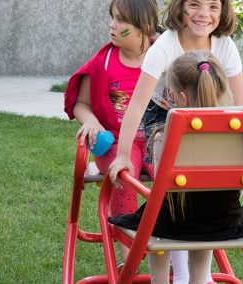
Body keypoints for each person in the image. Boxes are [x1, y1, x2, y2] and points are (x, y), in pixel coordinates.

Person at [108, 0, 243, 281]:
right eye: (194, 4)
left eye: (213, 7)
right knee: (172, 182)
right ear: (180, 8)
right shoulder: (166, 45)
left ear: (223, 11)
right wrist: (123, 154)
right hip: (165, 120)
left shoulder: (224, 45)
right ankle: (180, 274)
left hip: (210, 120)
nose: (203, 14)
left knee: (209, 186)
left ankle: (197, 276)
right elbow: (136, 104)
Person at [63, 0, 159, 264]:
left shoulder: (162, 55)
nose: (112, 25)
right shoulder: (103, 61)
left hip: (156, 138)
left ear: (144, 27)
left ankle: (173, 251)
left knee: (173, 180)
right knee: (122, 178)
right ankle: (129, 261)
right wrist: (91, 120)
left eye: (120, 21)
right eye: (112, 17)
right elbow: (81, 103)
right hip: (117, 142)